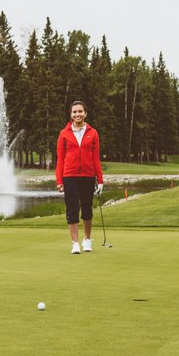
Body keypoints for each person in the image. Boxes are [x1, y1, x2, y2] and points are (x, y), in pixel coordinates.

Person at [55, 100, 104, 254]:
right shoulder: (64, 134)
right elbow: (60, 158)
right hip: (69, 176)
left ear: (85, 113)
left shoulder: (93, 133)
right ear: (71, 115)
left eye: (80, 111)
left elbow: (96, 158)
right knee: (72, 209)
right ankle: (75, 243)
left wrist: (100, 180)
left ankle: (87, 239)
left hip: (88, 176)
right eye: (74, 112)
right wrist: (59, 180)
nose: (77, 114)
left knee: (87, 209)